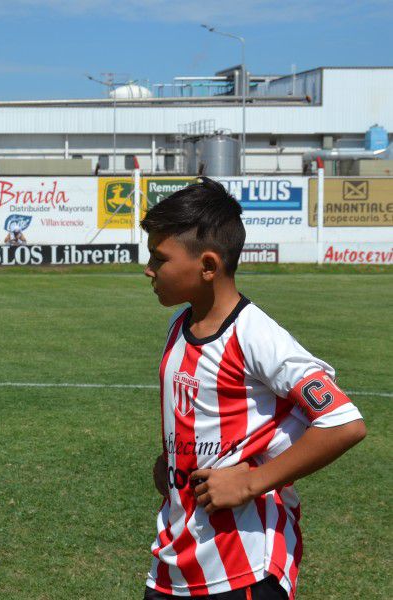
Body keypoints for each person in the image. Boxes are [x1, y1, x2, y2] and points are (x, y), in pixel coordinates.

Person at [141, 177, 366, 600]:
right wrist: (171, 464)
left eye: (160, 257)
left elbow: (343, 422)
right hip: (177, 554)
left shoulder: (256, 335)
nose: (149, 269)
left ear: (208, 266)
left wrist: (251, 482)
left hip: (244, 566)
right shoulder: (179, 326)